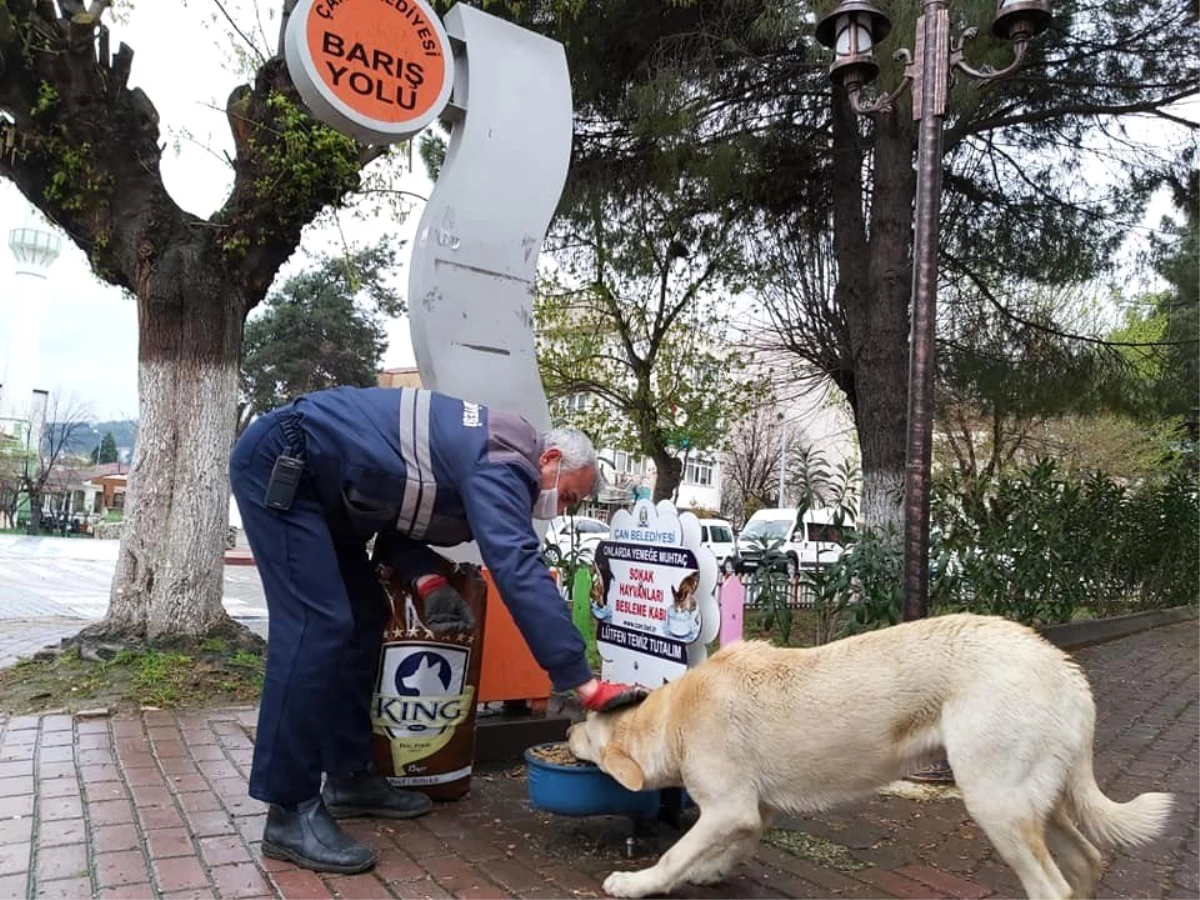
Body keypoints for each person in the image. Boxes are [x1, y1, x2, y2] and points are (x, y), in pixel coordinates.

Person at [229, 385, 645, 875]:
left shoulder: (487, 454)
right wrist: (582, 680)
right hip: (286, 463)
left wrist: (427, 580)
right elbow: (515, 563)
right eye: (569, 494)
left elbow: (396, 516)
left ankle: (347, 776)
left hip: (328, 492)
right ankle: (288, 808)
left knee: (362, 614)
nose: (564, 507)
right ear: (550, 457)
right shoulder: (504, 457)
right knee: (315, 625)